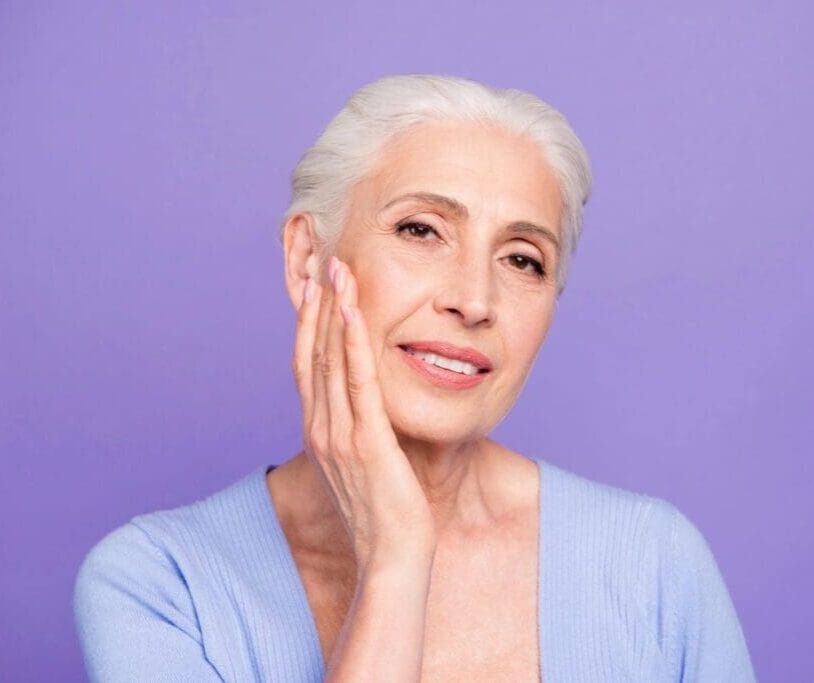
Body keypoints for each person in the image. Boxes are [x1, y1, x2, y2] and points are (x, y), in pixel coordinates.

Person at [73, 74, 756, 682]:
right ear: (308, 257)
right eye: (421, 230)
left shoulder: (653, 563)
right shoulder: (162, 584)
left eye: (523, 260)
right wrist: (396, 561)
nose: (475, 299)